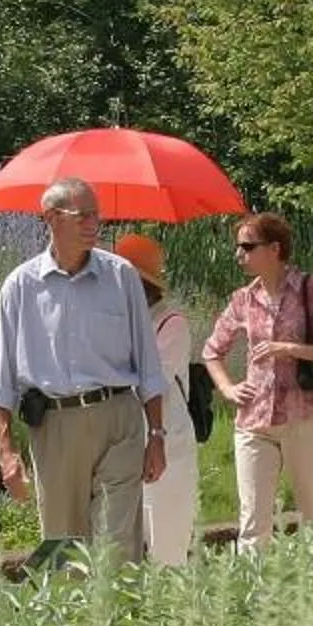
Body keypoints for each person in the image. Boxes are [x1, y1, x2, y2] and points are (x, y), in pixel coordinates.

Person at [0, 178, 171, 558]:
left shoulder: (121, 277)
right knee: (62, 546)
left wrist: (157, 434)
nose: (94, 224)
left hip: (119, 421)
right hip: (55, 427)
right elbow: (1, 381)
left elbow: (149, 367)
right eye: (82, 215)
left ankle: (120, 618)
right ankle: (70, 618)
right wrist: (6, 451)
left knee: (118, 547)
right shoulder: (19, 286)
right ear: (51, 218)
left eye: (96, 215)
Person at [202, 210, 313, 547]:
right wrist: (228, 388)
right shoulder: (243, 299)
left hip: (306, 419)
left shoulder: (310, 288)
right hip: (254, 422)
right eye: (238, 247)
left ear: (274, 248)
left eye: (247, 246)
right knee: (253, 526)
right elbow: (211, 351)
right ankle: (252, 599)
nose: (238, 254)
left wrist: (291, 349)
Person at [115, 232, 198, 566]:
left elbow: (154, 382)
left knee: (167, 546)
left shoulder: (171, 324)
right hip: (123, 444)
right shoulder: (118, 324)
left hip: (168, 445)